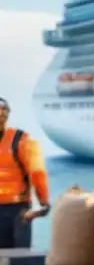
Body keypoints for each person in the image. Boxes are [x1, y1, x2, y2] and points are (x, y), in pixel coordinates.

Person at [0, 98, 50, 249]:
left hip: (16, 209)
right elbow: (37, 173)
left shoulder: (20, 141)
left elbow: (37, 173)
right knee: (19, 260)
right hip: (16, 210)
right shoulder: (21, 140)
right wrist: (44, 202)